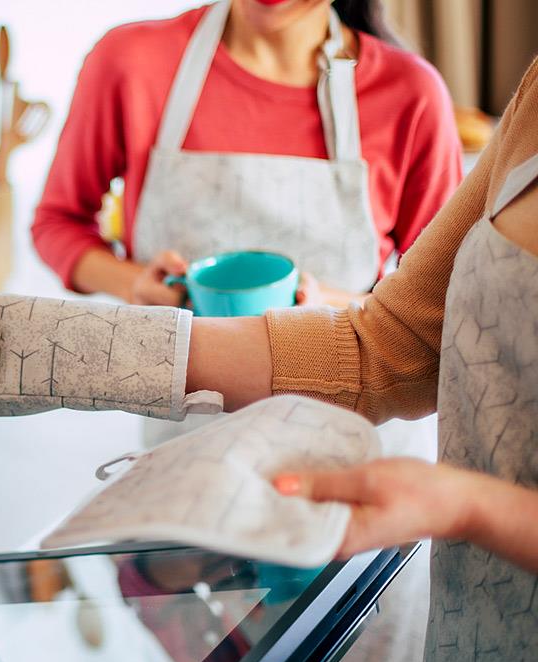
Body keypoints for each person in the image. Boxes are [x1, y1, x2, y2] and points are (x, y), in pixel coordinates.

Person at [0, 52, 538, 662]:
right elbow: (386, 349)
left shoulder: (408, 89)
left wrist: (469, 504)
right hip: (470, 621)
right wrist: (47, 350)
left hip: (386, 518)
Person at [31, 0, 460, 459]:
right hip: (186, 455)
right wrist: (133, 283)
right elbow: (57, 223)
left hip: (359, 459)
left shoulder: (411, 93)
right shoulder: (131, 60)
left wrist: (328, 311)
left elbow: (441, 314)